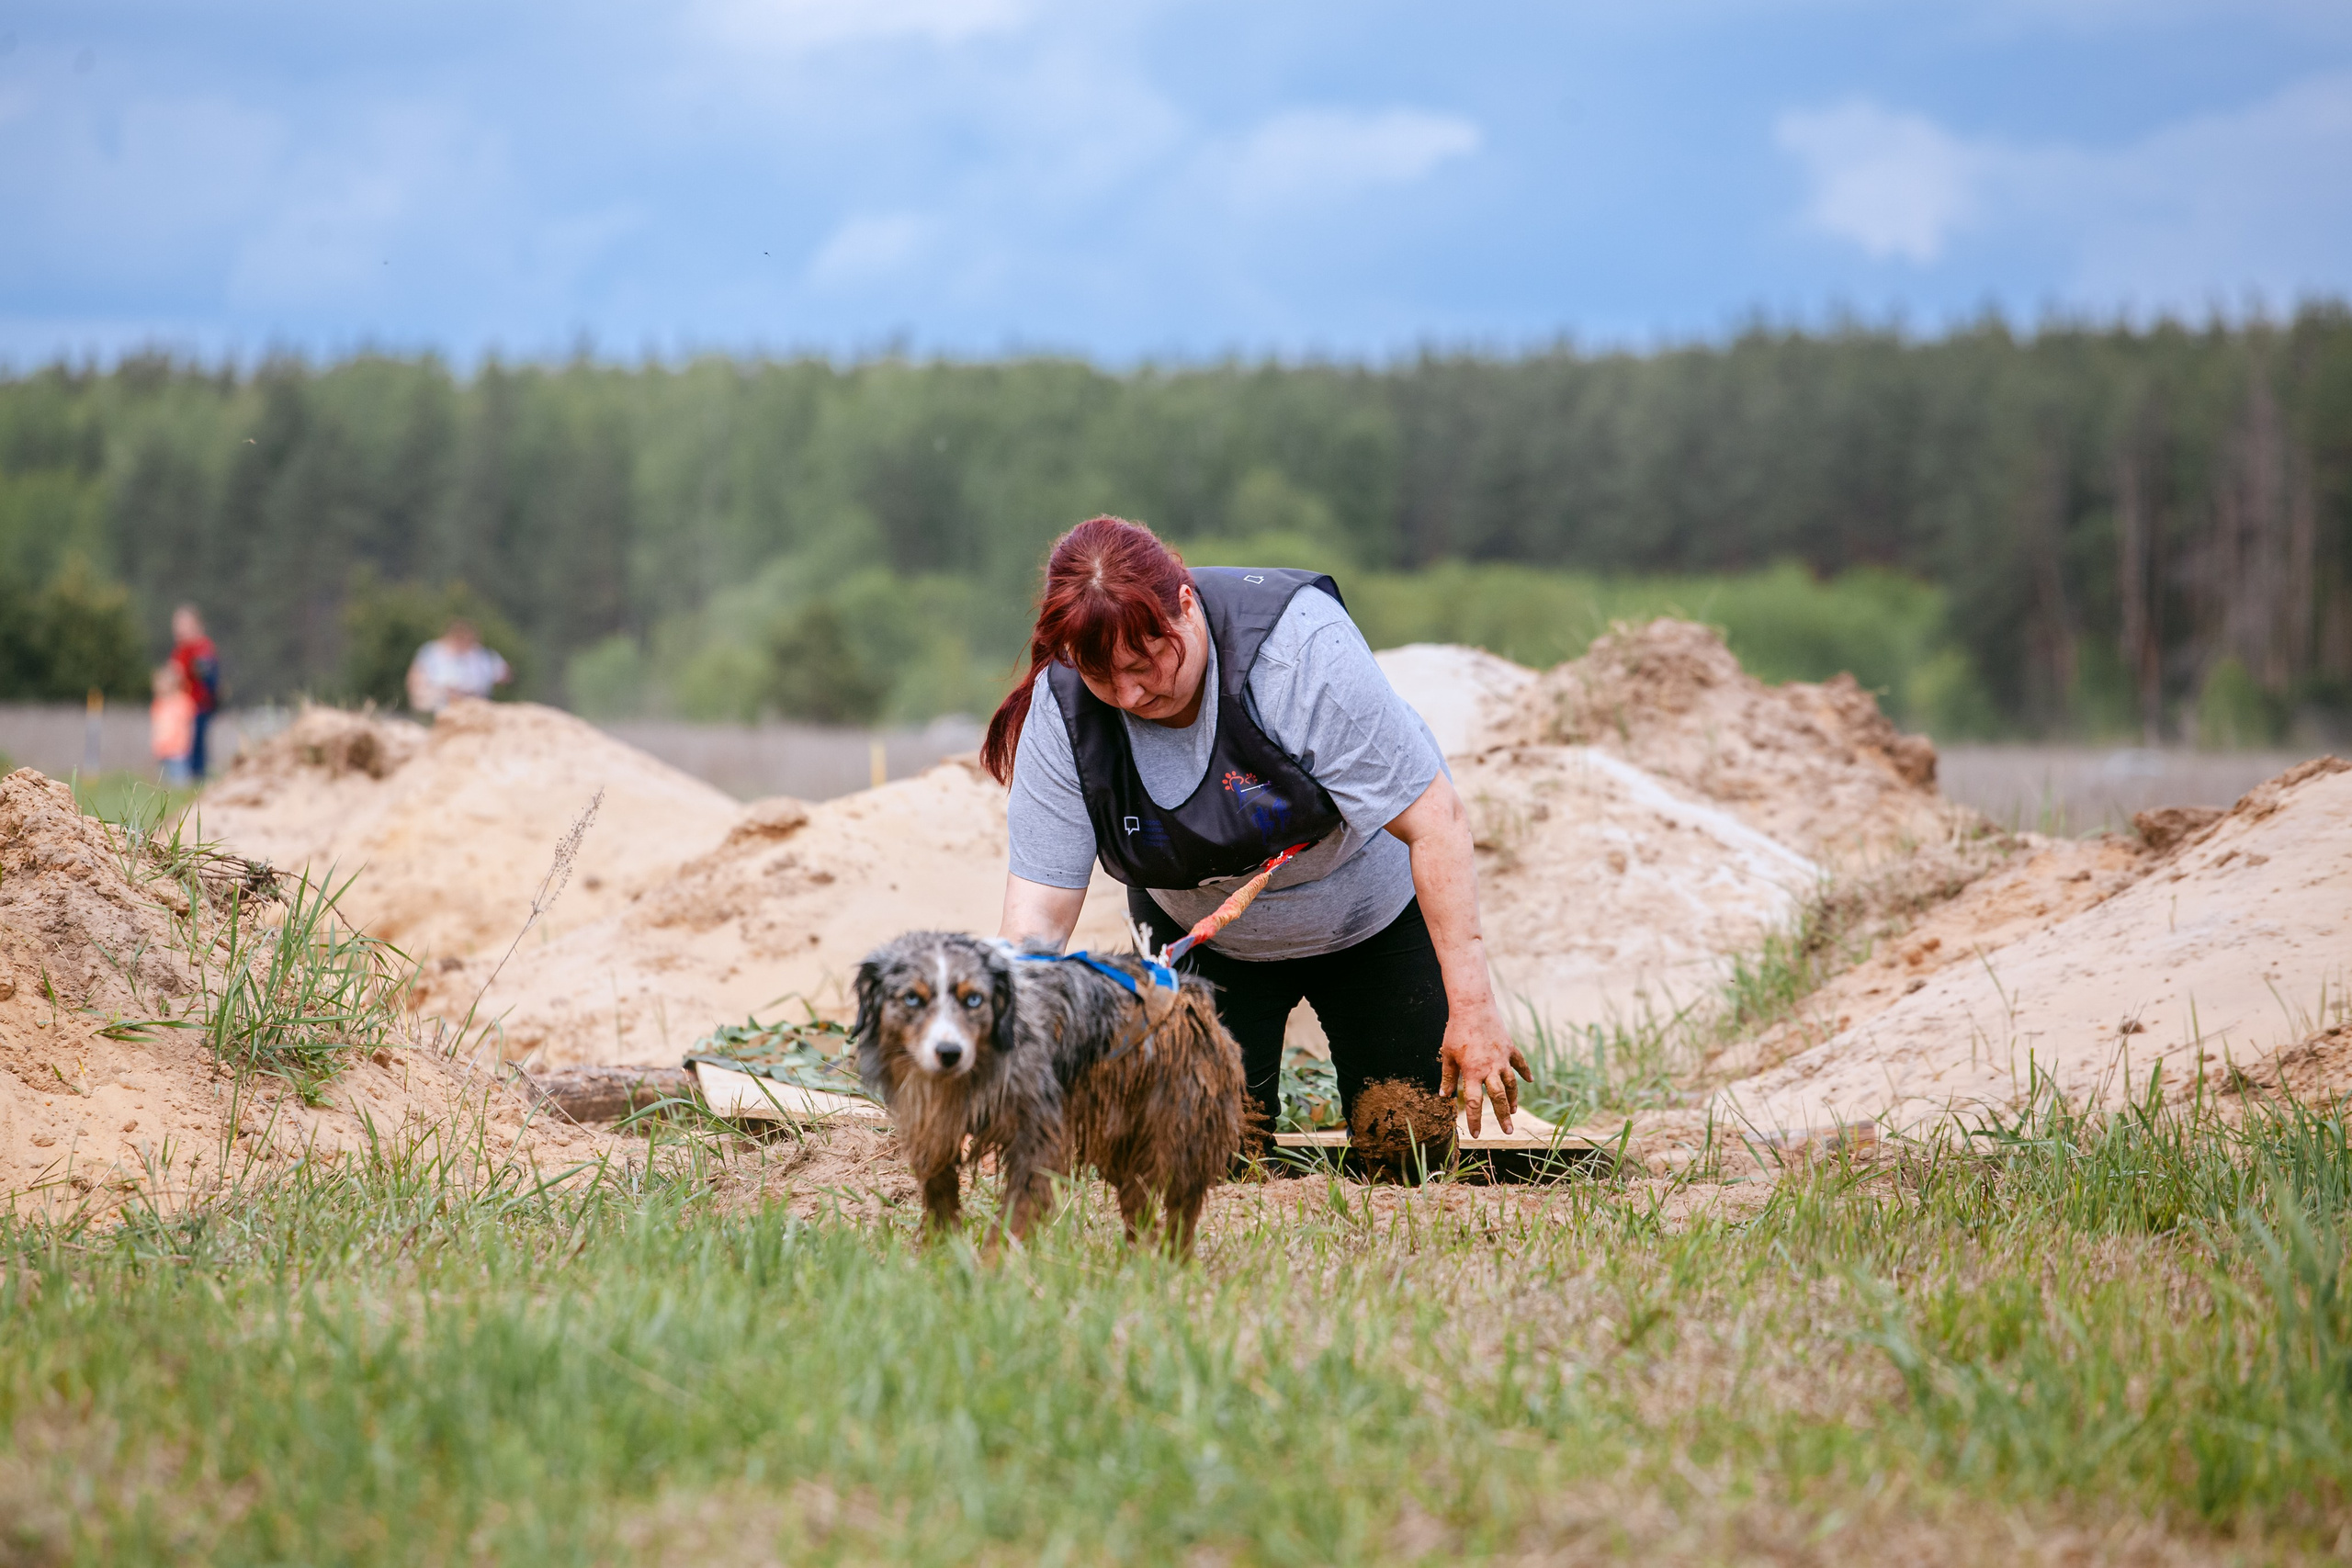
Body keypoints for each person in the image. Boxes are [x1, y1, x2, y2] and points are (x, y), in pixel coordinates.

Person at [987, 516, 1530, 1139]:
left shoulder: (1298, 650)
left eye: (1146, 661)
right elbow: (1037, 920)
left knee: (1407, 1140)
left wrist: (1473, 1008)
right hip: (1200, 937)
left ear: (1185, 605)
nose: (1131, 695)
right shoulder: (1064, 711)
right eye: (1102, 675)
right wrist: (1003, 1058)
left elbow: (1437, 821)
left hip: (1368, 917)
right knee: (1204, 1155)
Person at [406, 618, 512, 716]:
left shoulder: (482, 656)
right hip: (439, 701)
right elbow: (414, 679)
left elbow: (505, 674)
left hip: (474, 703)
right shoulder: (432, 651)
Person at [168, 604, 221, 780]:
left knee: (197, 742)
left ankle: (198, 774)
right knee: (185, 743)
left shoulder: (202, 647)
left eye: (184, 625)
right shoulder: (181, 650)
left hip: (199, 704)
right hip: (184, 706)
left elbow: (207, 675)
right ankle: (189, 775)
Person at [150, 661, 196, 789]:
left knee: (179, 782)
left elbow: (188, 725)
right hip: (162, 750)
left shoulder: (182, 701)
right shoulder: (158, 703)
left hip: (178, 750)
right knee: (163, 784)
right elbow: (157, 727)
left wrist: (185, 744)